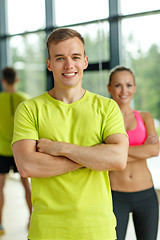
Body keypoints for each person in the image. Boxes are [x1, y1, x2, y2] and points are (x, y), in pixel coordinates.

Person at [12, 28, 128, 240]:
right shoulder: (29, 109)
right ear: (49, 64)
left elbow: (118, 159)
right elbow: (27, 166)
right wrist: (94, 156)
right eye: (60, 58)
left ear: (85, 61)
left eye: (75, 57)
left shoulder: (107, 107)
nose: (69, 65)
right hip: (47, 231)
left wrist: (61, 149)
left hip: (98, 230)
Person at [107, 65, 159, 240]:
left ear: (135, 88)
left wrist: (115, 152)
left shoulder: (145, 117)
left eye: (129, 85)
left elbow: (154, 149)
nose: (124, 91)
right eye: (118, 85)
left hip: (146, 195)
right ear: (109, 88)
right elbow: (102, 157)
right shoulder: (103, 120)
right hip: (115, 195)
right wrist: (141, 150)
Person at [0, 67, 32, 235]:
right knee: (26, 185)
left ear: (3, 80)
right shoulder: (25, 100)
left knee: (0, 187)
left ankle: (0, 225)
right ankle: (31, 219)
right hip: (21, 150)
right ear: (17, 80)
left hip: (2, 151)